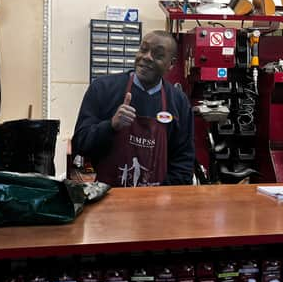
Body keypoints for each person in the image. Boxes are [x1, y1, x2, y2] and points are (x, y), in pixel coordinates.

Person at [72, 30, 194, 186]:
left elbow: (184, 161)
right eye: (143, 49)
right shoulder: (103, 88)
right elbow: (80, 144)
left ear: (171, 64)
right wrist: (110, 126)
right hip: (109, 198)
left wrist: (162, 195)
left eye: (158, 54)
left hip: (158, 201)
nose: (147, 57)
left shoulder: (179, 102)